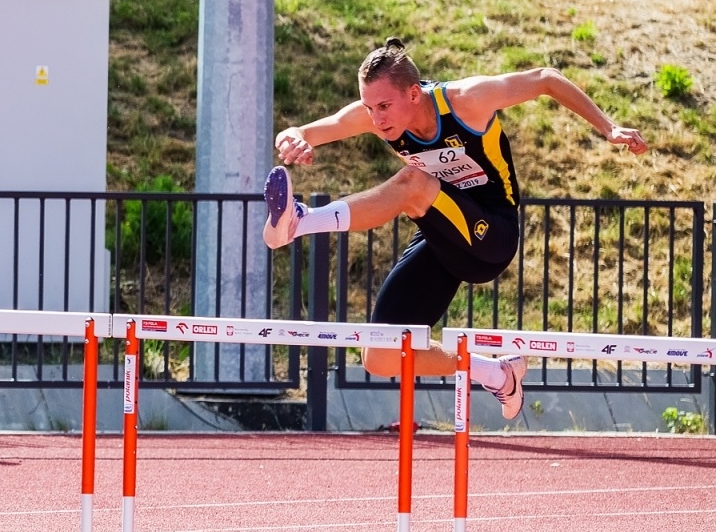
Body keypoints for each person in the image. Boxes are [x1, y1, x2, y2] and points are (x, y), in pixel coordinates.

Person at [263, 38, 648, 419]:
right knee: (380, 355)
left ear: (414, 94)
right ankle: (497, 373)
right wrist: (294, 137)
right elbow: (308, 130)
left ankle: (300, 223)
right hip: (444, 235)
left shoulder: (467, 100)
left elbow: (545, 78)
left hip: (492, 234)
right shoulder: (376, 116)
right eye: (368, 107)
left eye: (383, 106)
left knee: (412, 183)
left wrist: (609, 128)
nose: (377, 120)